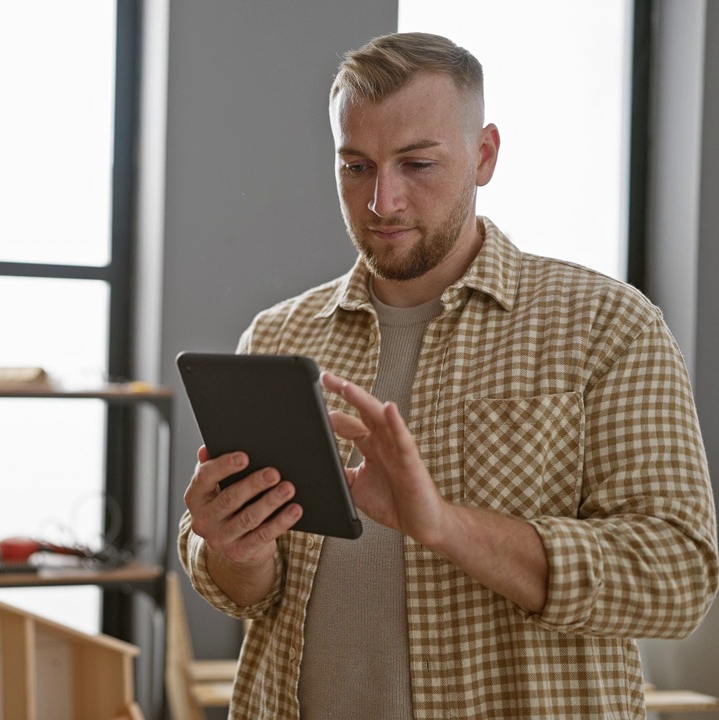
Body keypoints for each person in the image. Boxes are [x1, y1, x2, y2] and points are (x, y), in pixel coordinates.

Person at [178, 31, 719, 719]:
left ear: (484, 154)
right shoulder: (279, 337)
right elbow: (242, 589)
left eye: (418, 164)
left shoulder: (607, 326)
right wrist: (234, 547)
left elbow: (677, 578)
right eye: (356, 166)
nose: (383, 202)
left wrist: (444, 525)